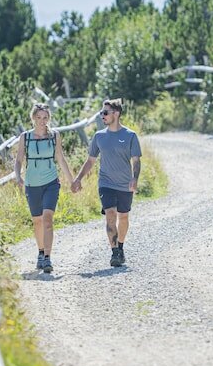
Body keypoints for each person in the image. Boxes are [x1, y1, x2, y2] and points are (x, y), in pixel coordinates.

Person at [71, 98, 141, 267]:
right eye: (101, 113)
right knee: (110, 214)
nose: (102, 116)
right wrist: (78, 178)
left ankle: (121, 246)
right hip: (106, 183)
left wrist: (135, 178)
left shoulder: (130, 135)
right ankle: (115, 252)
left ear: (116, 114)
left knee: (123, 217)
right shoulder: (99, 136)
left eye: (105, 113)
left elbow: (136, 160)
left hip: (125, 184)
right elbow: (90, 161)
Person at [14, 102, 73, 274]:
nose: (42, 121)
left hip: (51, 183)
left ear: (49, 118)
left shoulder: (54, 136)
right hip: (32, 184)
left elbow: (61, 159)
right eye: (39, 117)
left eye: (45, 117)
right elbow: (18, 161)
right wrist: (18, 176)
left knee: (47, 219)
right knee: (37, 220)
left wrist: (72, 181)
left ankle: (47, 258)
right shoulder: (26, 137)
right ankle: (40, 252)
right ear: (33, 118)